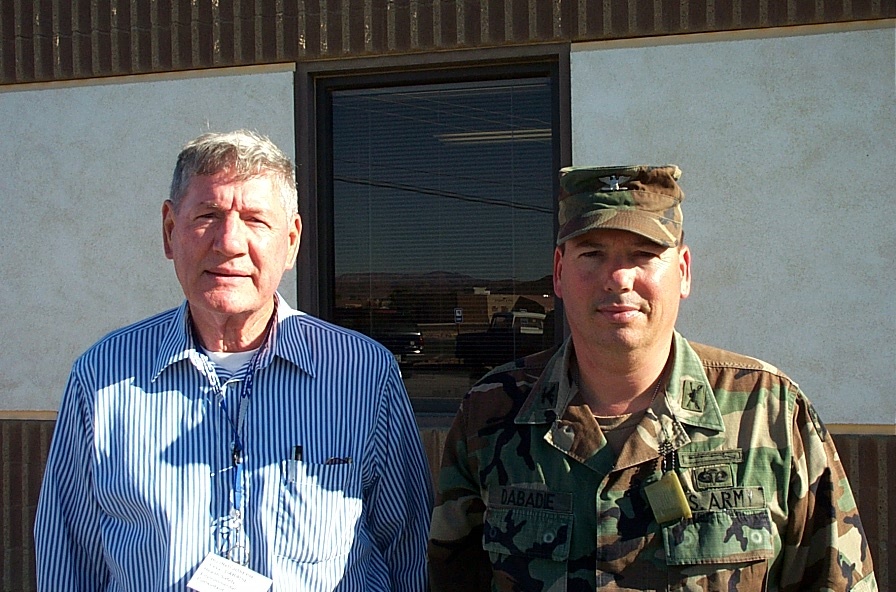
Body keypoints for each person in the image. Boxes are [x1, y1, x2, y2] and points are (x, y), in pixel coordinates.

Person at [428, 165, 877, 591]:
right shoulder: (492, 410)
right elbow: (451, 577)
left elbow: (836, 578)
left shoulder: (769, 408)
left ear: (682, 271)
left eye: (644, 255)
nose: (619, 278)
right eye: (593, 254)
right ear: (560, 273)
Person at [34, 130, 432, 591]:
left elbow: (407, 552)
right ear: (169, 231)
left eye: (256, 220)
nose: (229, 243)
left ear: (292, 241)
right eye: (208, 215)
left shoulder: (363, 374)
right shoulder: (102, 376)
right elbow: (70, 559)